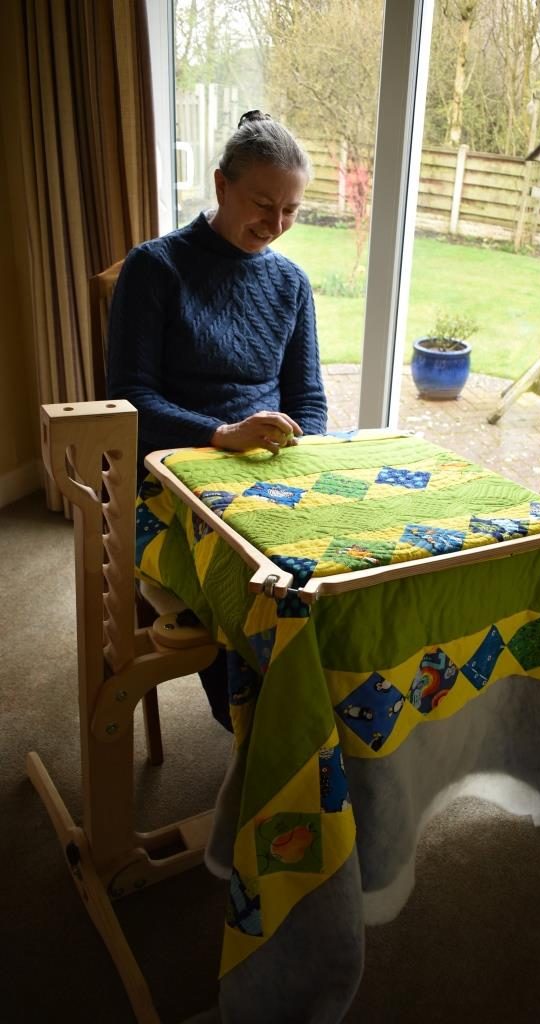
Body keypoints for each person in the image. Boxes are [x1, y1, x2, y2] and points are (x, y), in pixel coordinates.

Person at [107, 110, 328, 730]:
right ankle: (262, 727)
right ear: (221, 185)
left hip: (267, 468)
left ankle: (326, 715)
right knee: (252, 579)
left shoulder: (290, 283)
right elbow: (129, 398)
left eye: (291, 211)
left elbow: (307, 396)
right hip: (170, 470)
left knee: (330, 564)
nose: (276, 225)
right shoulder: (156, 267)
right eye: (262, 204)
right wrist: (220, 435)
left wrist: (301, 452)